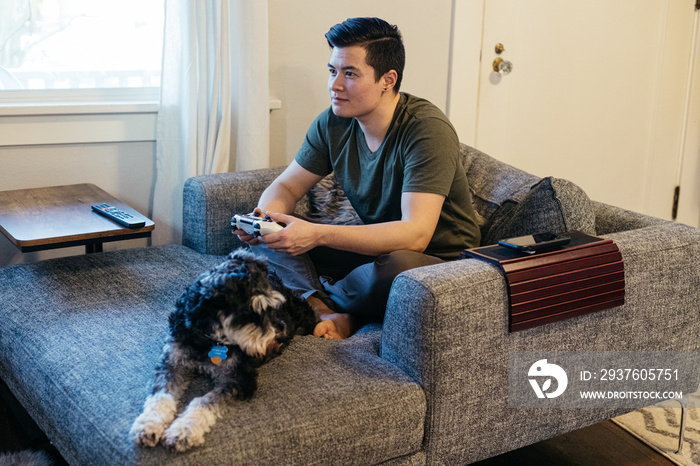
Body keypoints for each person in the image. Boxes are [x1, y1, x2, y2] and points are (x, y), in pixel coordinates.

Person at [233, 17, 481, 339]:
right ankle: (326, 310)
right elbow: (286, 186)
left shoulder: (427, 130)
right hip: (373, 248)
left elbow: (416, 234)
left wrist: (317, 235)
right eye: (332, 71)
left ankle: (310, 296)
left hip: (437, 262)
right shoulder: (333, 122)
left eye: (349, 74)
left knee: (396, 270)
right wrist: (268, 220)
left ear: (387, 80)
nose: (335, 85)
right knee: (270, 243)